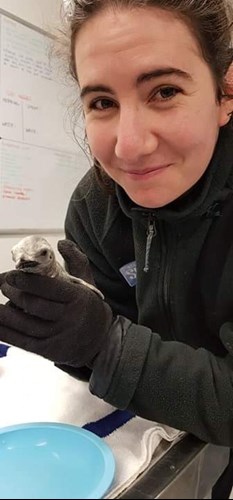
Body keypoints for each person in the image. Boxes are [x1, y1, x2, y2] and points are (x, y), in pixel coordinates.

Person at [0, 0, 233, 496]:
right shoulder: (94, 204)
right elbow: (101, 350)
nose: (128, 147)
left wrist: (107, 343)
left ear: (225, 92)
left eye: (164, 91)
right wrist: (71, 331)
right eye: (102, 102)